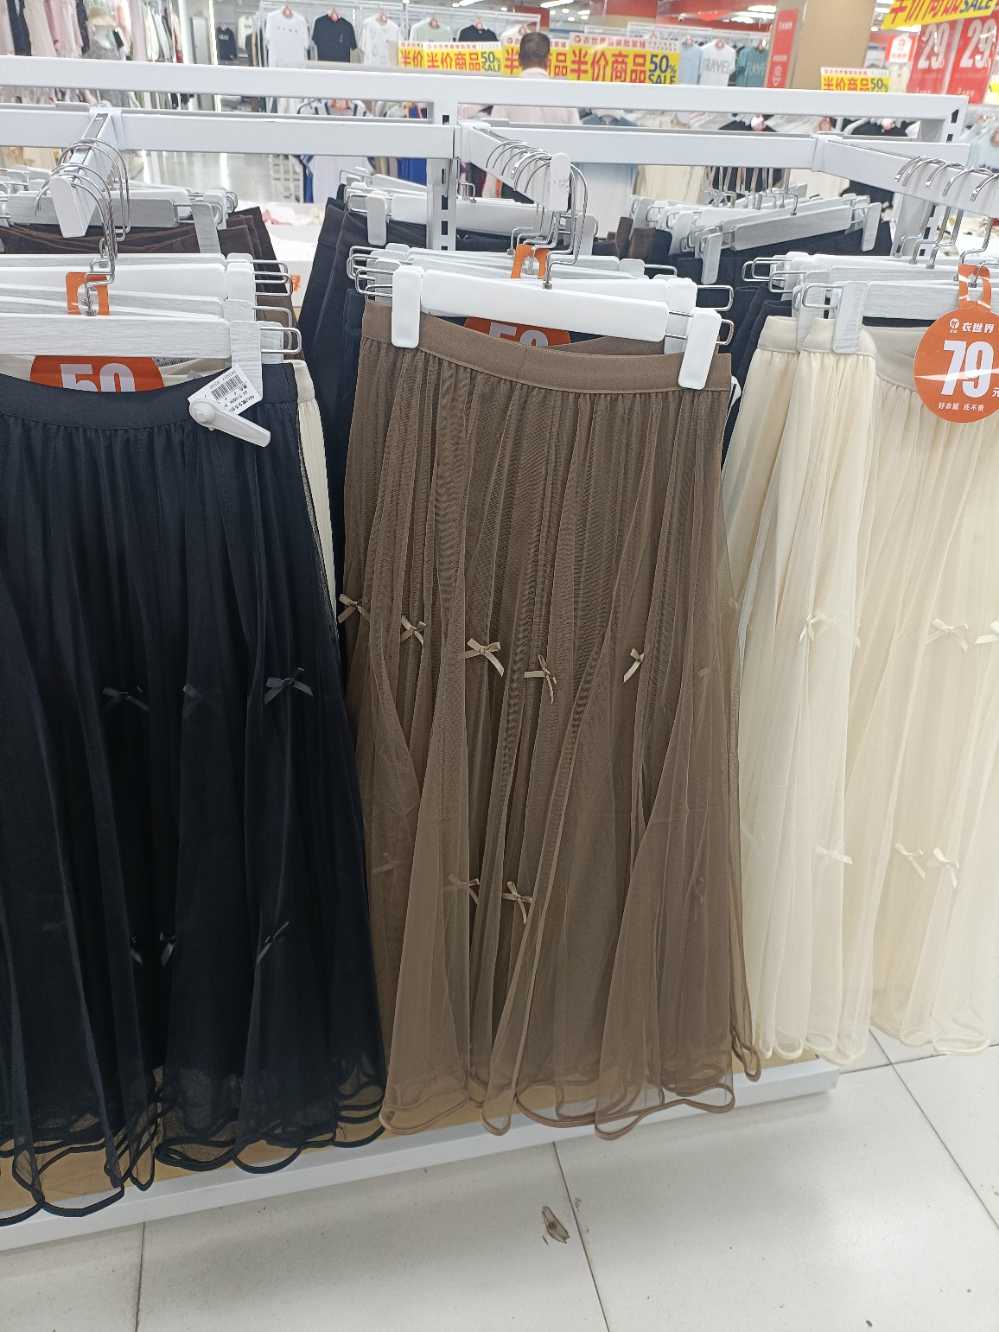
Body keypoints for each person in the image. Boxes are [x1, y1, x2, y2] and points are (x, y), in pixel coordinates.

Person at [483, 31, 579, 197]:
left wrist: (489, 194)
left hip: (515, 183)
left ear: (519, 59)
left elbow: (495, 146)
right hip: (555, 186)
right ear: (548, 59)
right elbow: (576, 147)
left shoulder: (507, 93)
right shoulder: (564, 95)